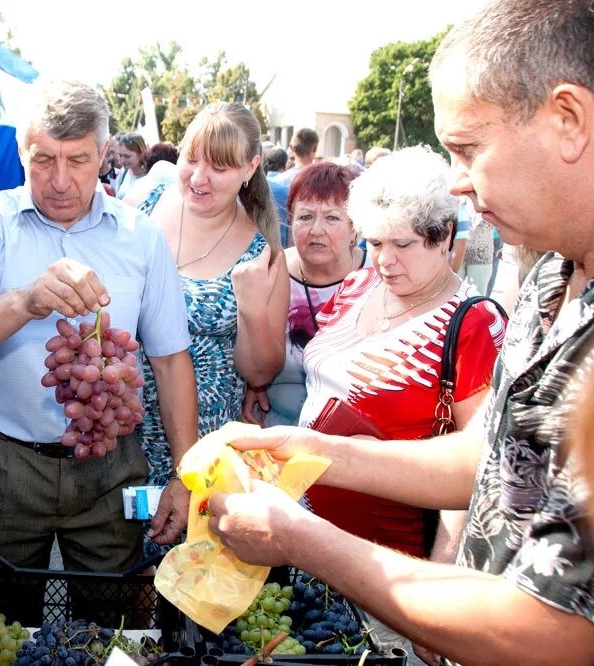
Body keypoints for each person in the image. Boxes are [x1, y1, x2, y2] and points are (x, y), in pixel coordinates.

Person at [207, 1, 594, 664]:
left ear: (568, 119)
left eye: (467, 149)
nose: (457, 182)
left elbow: (559, 629)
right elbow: (488, 459)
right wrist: (312, 449)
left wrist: (301, 540)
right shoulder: (551, 276)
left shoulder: (493, 307)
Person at [0, 81, 198, 574]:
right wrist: (24, 301)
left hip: (110, 462)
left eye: (79, 160)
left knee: (110, 609)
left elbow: (171, 360)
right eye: (44, 159)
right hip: (2, 463)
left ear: (104, 155)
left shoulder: (141, 236)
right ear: (20, 152)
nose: (61, 181)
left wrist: (186, 474)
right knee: (2, 612)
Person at [299, 145, 506, 563]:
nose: (385, 260)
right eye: (375, 242)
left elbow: (474, 466)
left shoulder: (474, 323)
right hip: (306, 525)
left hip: (388, 551)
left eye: (403, 243)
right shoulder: (357, 286)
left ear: (445, 235)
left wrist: (439, 572)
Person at [133, 102, 288, 554]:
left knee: (185, 570)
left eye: (219, 167)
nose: (199, 178)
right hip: (123, 432)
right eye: (192, 159)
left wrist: (251, 306)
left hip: (202, 443)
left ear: (251, 168)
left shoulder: (262, 251)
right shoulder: (144, 207)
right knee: (119, 573)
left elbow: (260, 373)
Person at [244, 162, 369, 429]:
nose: (316, 230)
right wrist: (251, 385)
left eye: (332, 218)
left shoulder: (377, 276)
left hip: (354, 434)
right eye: (305, 217)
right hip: (274, 426)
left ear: (355, 229)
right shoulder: (269, 273)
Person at [113, 132, 149, 199]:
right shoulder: (123, 172)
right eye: (120, 155)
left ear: (141, 153)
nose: (122, 160)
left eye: (127, 156)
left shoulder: (150, 175)